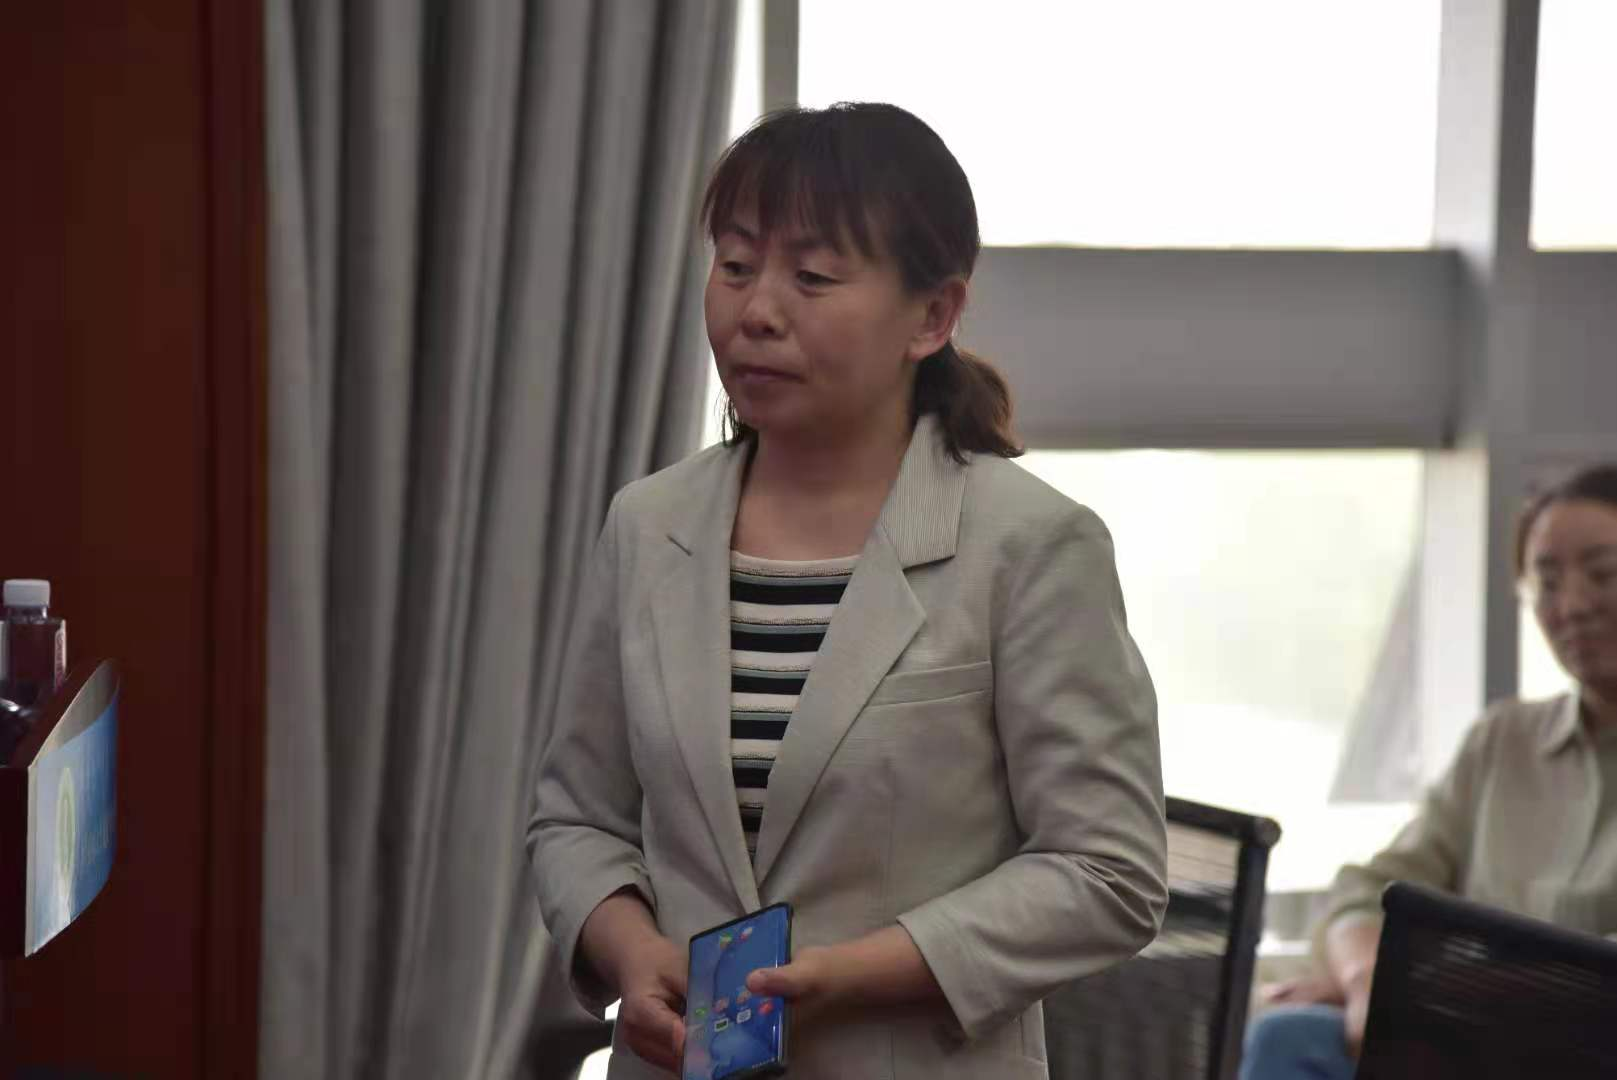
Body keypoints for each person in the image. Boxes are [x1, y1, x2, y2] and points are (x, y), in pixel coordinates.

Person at [527, 103, 1167, 1080]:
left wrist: (856, 972)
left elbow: (1108, 869)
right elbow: (577, 818)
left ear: (932, 316)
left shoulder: (1028, 543)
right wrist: (633, 952)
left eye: (813, 277)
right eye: (735, 266)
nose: (757, 311)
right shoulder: (649, 527)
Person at [1240, 463, 1617, 1080]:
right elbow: (1367, 891)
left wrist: (1424, 985)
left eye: (1604, 574)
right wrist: (1367, 982)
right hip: (1464, 1041)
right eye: (1547, 583)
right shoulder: (1503, 741)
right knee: (1286, 1034)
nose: (1571, 606)